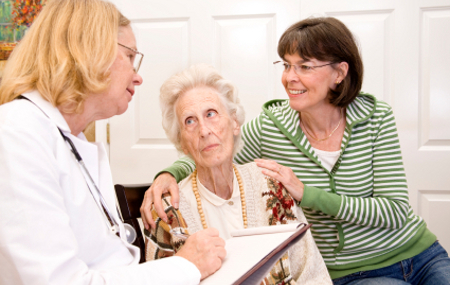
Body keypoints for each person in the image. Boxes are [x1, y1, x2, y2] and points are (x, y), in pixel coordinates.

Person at [141, 17, 450, 284]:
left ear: (339, 73)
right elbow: (212, 145)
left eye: (304, 66)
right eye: (287, 65)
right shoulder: (270, 127)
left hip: (418, 252)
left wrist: (306, 193)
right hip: (355, 273)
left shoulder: (375, 117)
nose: (289, 77)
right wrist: (168, 174)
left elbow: (395, 210)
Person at [0, 0, 226, 284]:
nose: (138, 76)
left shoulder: (69, 139)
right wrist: (186, 266)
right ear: (88, 52)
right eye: (130, 56)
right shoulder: (16, 133)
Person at [143, 64, 331, 284]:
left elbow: (312, 273)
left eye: (211, 114)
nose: (204, 131)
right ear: (182, 142)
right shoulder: (167, 210)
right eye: (190, 121)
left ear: (234, 123)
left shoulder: (271, 186)